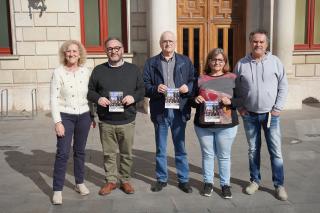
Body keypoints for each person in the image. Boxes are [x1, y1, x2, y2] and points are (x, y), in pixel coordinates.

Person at [234, 29, 288, 201]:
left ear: (267, 44)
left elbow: (283, 86)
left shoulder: (276, 62)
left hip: (271, 115)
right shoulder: (241, 64)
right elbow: (234, 88)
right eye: (255, 41)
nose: (258, 44)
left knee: (276, 151)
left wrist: (278, 108)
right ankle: (255, 180)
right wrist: (240, 108)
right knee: (253, 150)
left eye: (261, 42)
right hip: (249, 114)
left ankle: (279, 185)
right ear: (250, 43)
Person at [87, 37, 145, 196]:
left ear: (122, 49)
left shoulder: (133, 70)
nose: (113, 51)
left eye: (117, 48)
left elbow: (142, 90)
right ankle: (111, 181)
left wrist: (133, 97)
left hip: (127, 120)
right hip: (106, 121)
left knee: (126, 153)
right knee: (109, 154)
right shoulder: (98, 70)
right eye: (110, 48)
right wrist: (98, 98)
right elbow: (90, 91)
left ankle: (125, 180)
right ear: (106, 51)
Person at [143, 31, 196, 193]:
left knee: (180, 147)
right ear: (160, 44)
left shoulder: (185, 61)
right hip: (160, 109)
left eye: (171, 41)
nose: (168, 44)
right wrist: (155, 88)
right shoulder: (151, 62)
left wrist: (188, 87)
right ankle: (161, 179)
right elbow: (144, 85)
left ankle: (183, 179)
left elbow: (194, 79)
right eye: (165, 41)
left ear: (175, 43)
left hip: (179, 109)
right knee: (161, 148)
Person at [50, 40, 93, 205]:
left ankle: (79, 183)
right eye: (69, 51)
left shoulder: (85, 71)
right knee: (62, 152)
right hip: (65, 116)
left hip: (84, 115)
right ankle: (57, 190)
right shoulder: (58, 72)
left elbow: (91, 95)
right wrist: (57, 122)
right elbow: (53, 98)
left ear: (80, 53)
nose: (72, 54)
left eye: (75, 51)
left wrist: (92, 116)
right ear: (64, 54)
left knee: (80, 151)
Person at [193, 48, 239, 198]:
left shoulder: (233, 78)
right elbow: (191, 100)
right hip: (204, 125)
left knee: (224, 156)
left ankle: (225, 185)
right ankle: (208, 183)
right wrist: (196, 99)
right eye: (214, 59)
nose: (217, 62)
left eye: (220, 60)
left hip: (226, 126)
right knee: (207, 155)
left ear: (225, 62)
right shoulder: (201, 79)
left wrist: (231, 101)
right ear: (209, 62)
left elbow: (242, 99)